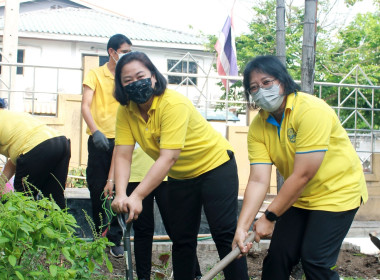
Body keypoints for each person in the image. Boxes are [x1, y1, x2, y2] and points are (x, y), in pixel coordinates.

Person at [111, 51, 249, 280]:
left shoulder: (173, 103)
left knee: (223, 235)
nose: (136, 83)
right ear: (121, 86)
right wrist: (121, 193)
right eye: (128, 81)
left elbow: (168, 157)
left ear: (153, 77)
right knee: (182, 239)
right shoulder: (126, 112)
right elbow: (123, 155)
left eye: (140, 76)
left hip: (215, 166)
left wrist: (137, 196)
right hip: (181, 177)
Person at [233, 55, 368, 280]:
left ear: (283, 81)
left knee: (315, 259)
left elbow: (303, 174)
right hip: (300, 197)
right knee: (278, 257)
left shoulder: (311, 110)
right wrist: (242, 226)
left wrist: (269, 216)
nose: (261, 91)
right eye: (254, 87)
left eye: (267, 82)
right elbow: (258, 179)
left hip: (337, 193)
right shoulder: (259, 125)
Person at [105, 144, 202, 280]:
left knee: (177, 230)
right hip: (136, 174)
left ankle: (195, 274)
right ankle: (143, 277)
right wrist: (111, 179)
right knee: (142, 231)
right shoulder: (127, 122)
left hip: (166, 174)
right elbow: (119, 148)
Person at [81, 33, 132, 257]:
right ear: (112, 52)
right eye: (124, 51)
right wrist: (95, 131)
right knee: (97, 187)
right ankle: (97, 235)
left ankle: (115, 238)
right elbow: (85, 106)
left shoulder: (125, 76)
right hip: (99, 139)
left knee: (119, 188)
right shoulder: (95, 74)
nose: (127, 56)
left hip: (122, 139)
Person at [0, 97, 71, 209]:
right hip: (60, 143)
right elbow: (15, 160)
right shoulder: (11, 116)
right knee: (54, 199)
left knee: (22, 200)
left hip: (37, 149)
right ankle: (59, 226)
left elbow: (29, 151)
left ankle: (26, 225)